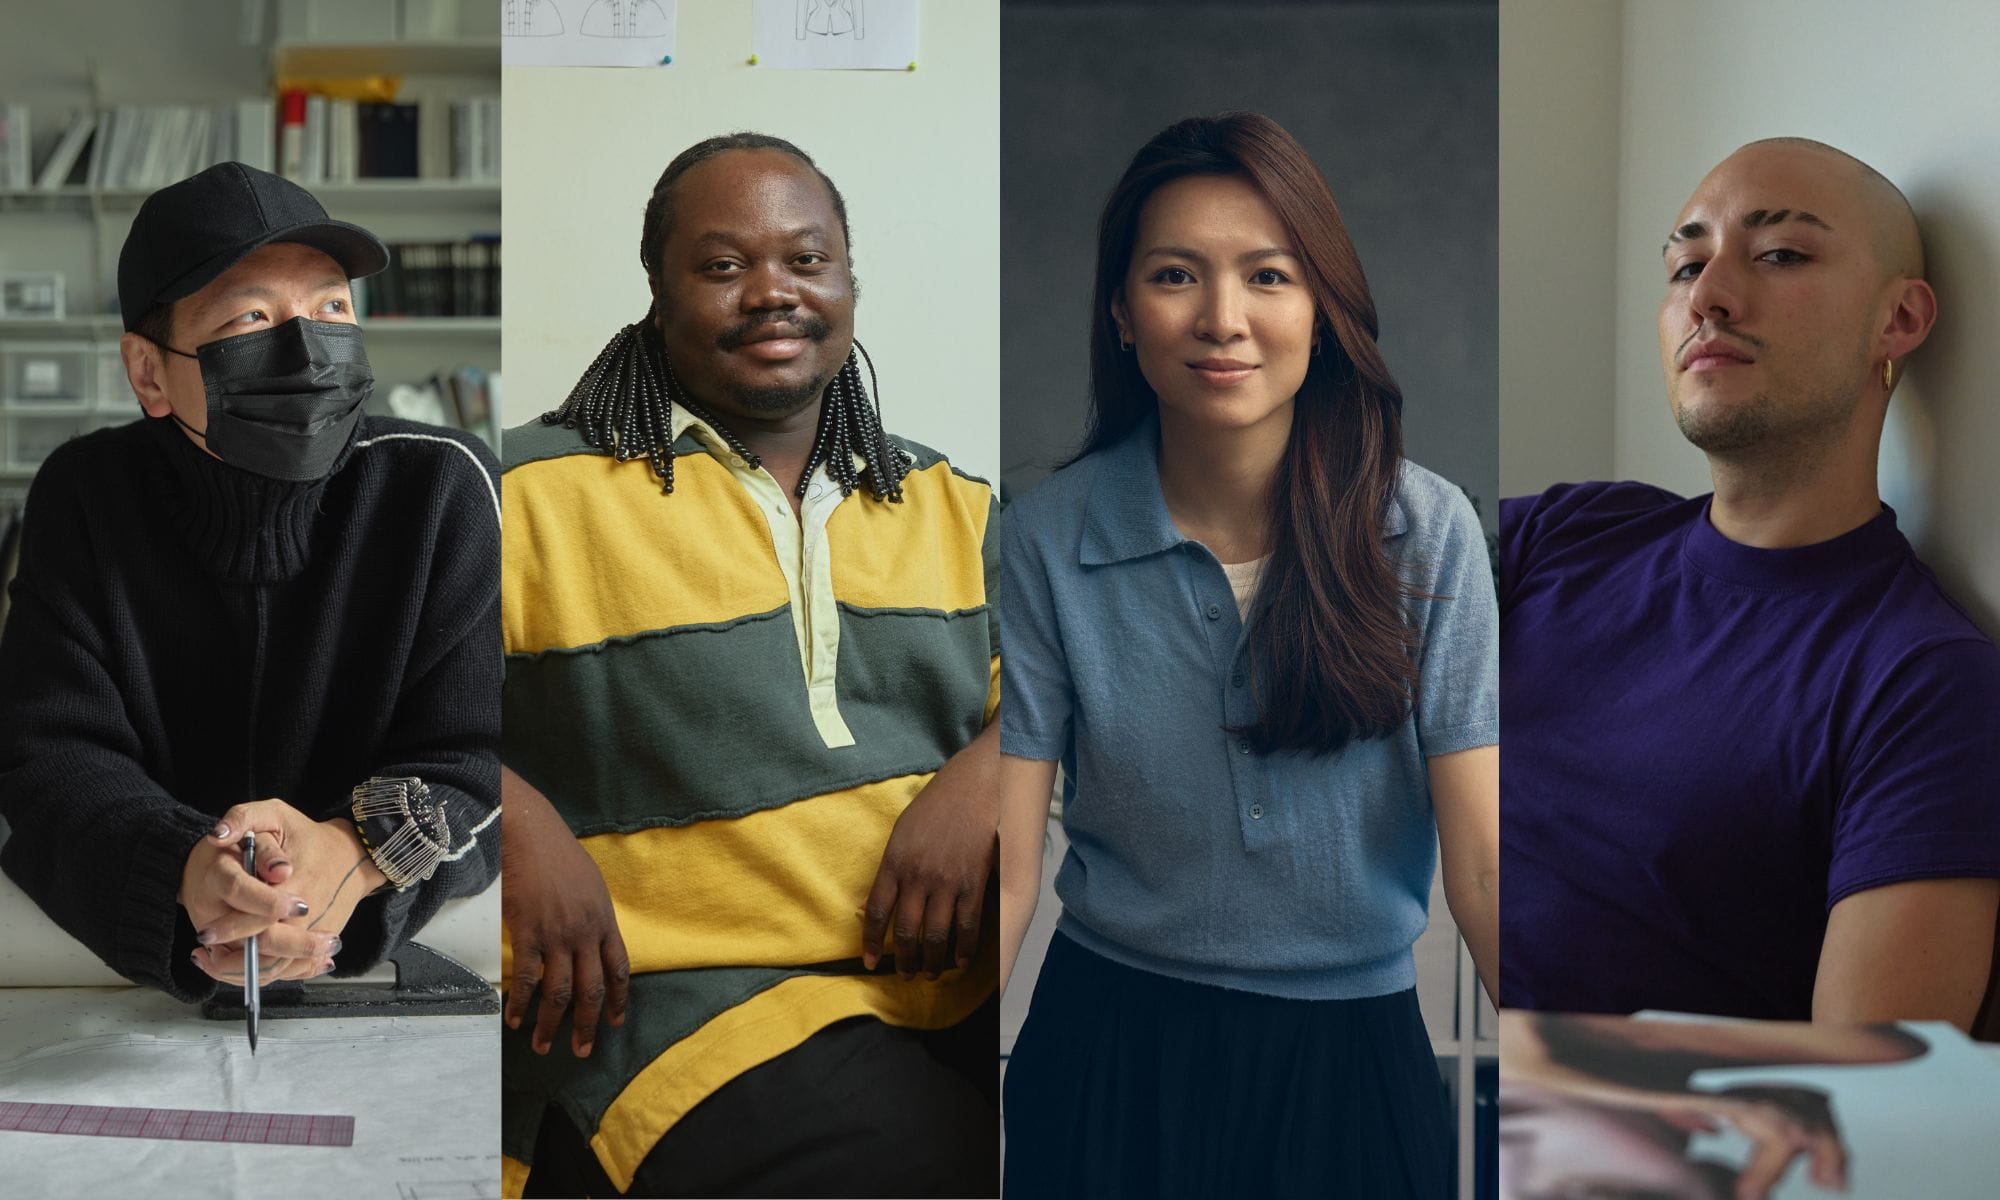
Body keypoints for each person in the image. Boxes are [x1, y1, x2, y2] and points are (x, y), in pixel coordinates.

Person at [999, 111, 1500, 1198]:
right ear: (1122, 315)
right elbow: (1005, 870)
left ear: (1320, 311)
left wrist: (1594, 1117)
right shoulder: (1043, 536)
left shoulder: (1426, 529)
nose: (1222, 319)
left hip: (1352, 1059)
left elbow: (1484, 868)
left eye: (1267, 276)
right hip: (1107, 1051)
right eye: (1175, 275)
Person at [498, 133, 999, 1198]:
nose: (772, 292)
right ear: (658, 291)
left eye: (805, 261)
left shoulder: (953, 505)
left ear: (849, 283)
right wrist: (518, 819)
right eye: (723, 267)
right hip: (681, 1012)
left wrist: (987, 771)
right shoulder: (526, 495)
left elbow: (1074, 694)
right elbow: (394, 712)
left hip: (950, 993)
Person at [1501, 138, 2000, 1029]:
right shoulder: (1567, 534)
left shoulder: (1923, 681)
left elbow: (1863, 1123)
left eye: (1779, 255)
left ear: (1900, 321)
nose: (1708, 298)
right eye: (1686, 264)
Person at [0, 161, 501, 1000]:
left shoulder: (441, 488)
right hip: (135, 950)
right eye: (252, 317)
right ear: (150, 373)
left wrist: (353, 852)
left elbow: (482, 753)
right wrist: (188, 870)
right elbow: (47, 754)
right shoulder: (85, 495)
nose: (308, 350)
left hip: (396, 938)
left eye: (333, 306)